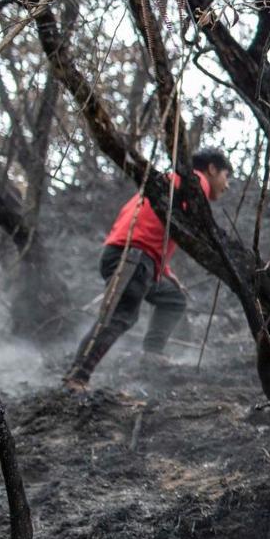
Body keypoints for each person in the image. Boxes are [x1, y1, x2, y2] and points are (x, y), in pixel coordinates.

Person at [63, 149, 231, 390]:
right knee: (119, 315)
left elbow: (152, 227)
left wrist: (165, 271)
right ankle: (77, 375)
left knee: (173, 298)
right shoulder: (196, 183)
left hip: (138, 257)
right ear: (212, 169)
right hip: (133, 256)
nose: (227, 185)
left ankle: (152, 353)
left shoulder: (172, 183)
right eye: (226, 176)